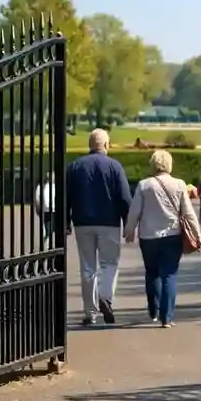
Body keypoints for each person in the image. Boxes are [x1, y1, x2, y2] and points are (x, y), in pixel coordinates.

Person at [123, 149, 199, 328]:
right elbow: (188, 213)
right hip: (172, 235)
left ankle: (153, 309)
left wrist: (129, 230)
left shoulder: (144, 185)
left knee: (152, 273)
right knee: (169, 274)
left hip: (148, 236)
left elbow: (135, 211)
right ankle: (167, 316)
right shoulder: (179, 184)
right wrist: (197, 234)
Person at [65, 128, 132, 326]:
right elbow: (124, 198)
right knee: (110, 263)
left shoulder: (75, 166)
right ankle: (105, 296)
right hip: (109, 222)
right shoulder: (114, 166)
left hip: (82, 222)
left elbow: (65, 196)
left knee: (87, 267)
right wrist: (129, 223)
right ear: (105, 145)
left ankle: (90, 312)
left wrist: (64, 222)